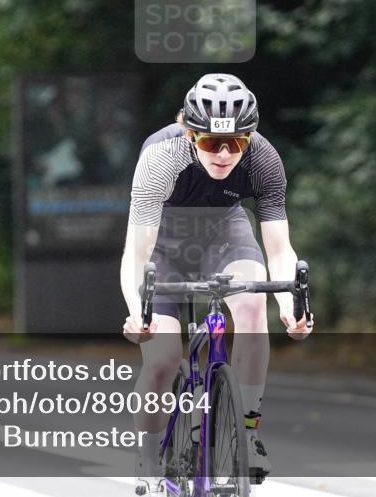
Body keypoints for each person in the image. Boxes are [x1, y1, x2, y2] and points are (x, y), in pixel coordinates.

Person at [119, 74, 313, 492]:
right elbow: (136, 252)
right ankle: (149, 460)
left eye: (237, 143)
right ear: (190, 134)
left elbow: (279, 247)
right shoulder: (161, 158)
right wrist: (138, 313)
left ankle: (248, 430)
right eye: (210, 143)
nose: (225, 154)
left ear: (250, 137)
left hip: (224, 237)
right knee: (162, 358)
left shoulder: (263, 158)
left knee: (250, 305)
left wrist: (289, 306)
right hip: (163, 249)